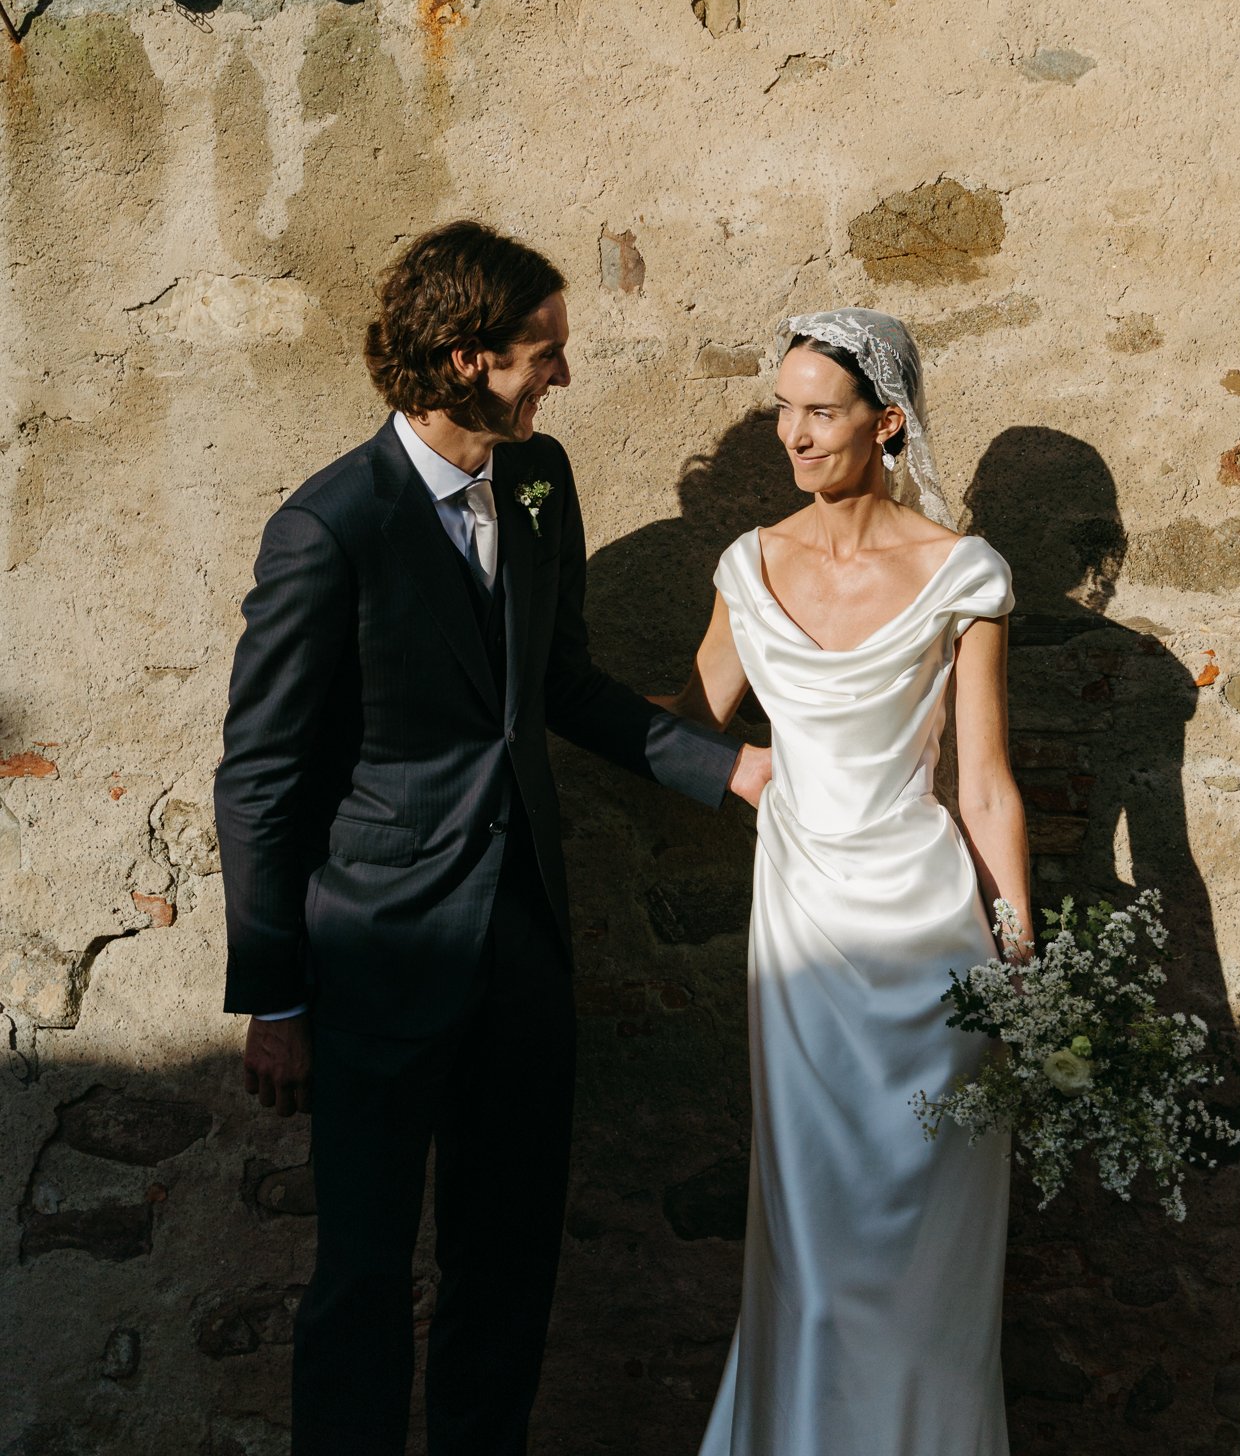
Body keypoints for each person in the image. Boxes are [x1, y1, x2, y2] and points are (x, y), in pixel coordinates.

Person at [213, 220, 772, 1456]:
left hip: (522, 945)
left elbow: (559, 685)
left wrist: (732, 768)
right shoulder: (329, 528)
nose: (563, 375)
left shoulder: (538, 483)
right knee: (361, 1276)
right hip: (374, 962)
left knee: (508, 1268)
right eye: (545, 352)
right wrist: (276, 997)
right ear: (468, 360)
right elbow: (261, 774)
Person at [665, 309, 1031, 1456]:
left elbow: (984, 789)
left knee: (926, 1257)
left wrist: (1020, 968)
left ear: (889, 423)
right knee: (816, 1251)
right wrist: (737, 774)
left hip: (930, 944)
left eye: (820, 411)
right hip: (804, 943)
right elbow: (691, 723)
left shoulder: (962, 574)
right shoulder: (749, 564)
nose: (794, 434)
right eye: (785, 408)